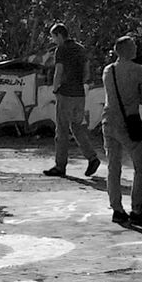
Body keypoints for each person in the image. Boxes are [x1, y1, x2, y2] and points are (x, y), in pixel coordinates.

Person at [101, 34, 142, 226]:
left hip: (108, 121)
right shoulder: (138, 70)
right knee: (141, 167)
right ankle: (136, 209)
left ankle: (117, 209)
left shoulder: (108, 70)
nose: (136, 48)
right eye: (133, 46)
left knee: (113, 167)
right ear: (127, 50)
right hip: (128, 123)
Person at [42, 22, 100, 178]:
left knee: (61, 130)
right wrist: (83, 84)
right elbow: (87, 69)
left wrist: (55, 89)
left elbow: (59, 71)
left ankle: (60, 166)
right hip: (79, 94)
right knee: (77, 127)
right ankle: (92, 157)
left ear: (59, 35)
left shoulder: (61, 49)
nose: (53, 40)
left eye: (54, 37)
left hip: (66, 93)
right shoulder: (80, 48)